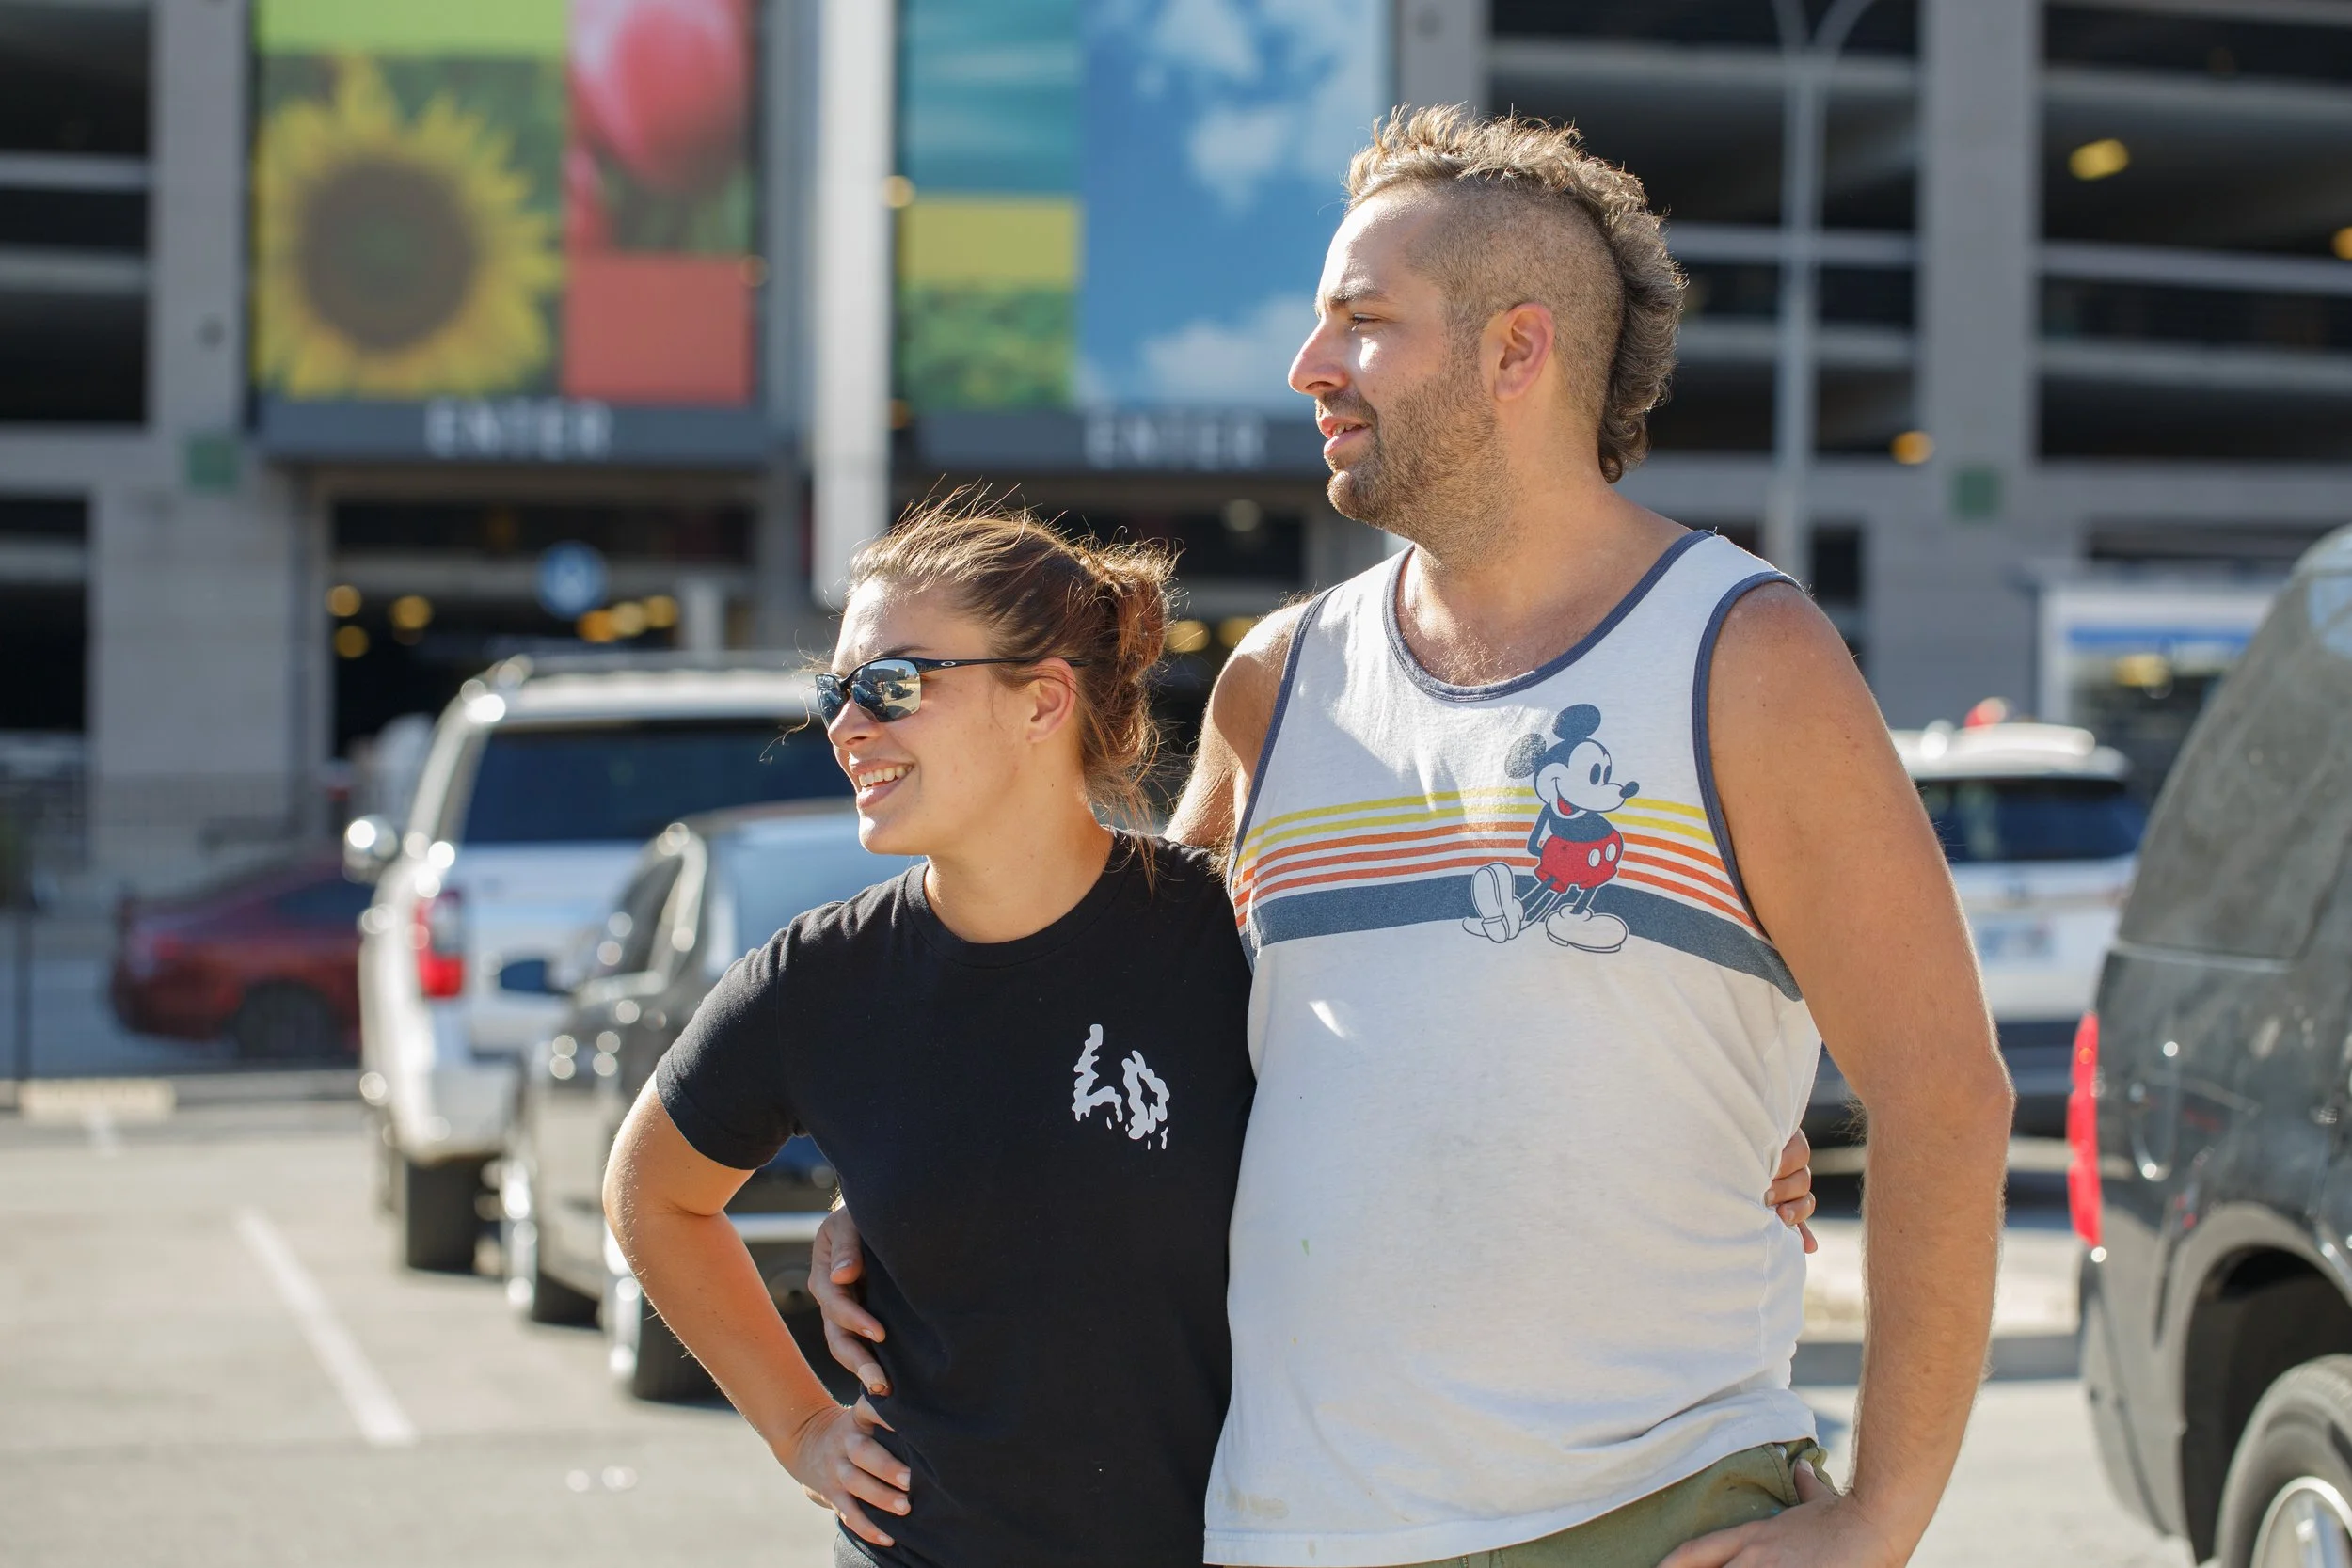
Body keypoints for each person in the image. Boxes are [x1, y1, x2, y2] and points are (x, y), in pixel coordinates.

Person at [812, 108, 2012, 1568]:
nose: (1311, 367)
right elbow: (1119, 1038)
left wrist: (1883, 1515)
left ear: (1519, 352)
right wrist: (908, 1186)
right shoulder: (1278, 680)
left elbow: (1947, 1091)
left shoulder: (1745, 657)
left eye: (1364, 324)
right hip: (1292, 1529)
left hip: (1650, 1514)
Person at [602, 499, 1821, 1568]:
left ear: (1043, 702)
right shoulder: (820, 979)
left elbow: (1469, 1050)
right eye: (836, 690)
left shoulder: (1224, 933)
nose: (848, 722)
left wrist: (1718, 1145)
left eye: (894, 683)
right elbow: (653, 1193)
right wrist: (802, 1424)